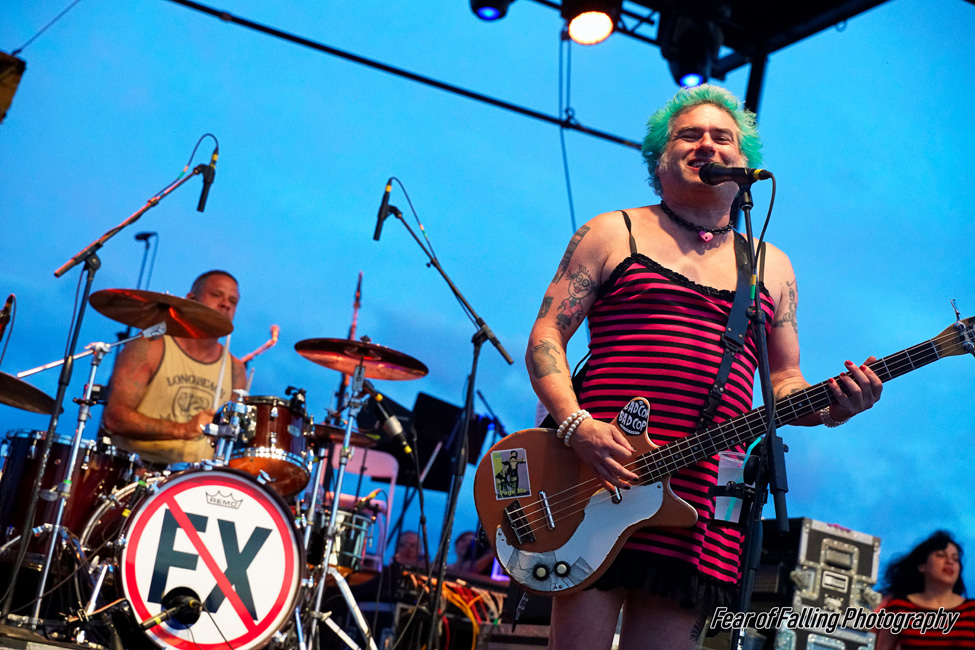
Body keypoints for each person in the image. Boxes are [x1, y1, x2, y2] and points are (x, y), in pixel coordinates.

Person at [524, 84, 883, 650]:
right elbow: (547, 334)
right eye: (689, 135)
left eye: (723, 137)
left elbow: (785, 382)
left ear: (745, 166)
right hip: (598, 473)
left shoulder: (772, 266)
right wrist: (575, 424)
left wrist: (835, 407)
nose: (707, 145)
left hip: (702, 497)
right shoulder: (612, 232)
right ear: (659, 159)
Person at [101, 270, 247, 468]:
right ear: (191, 299)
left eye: (233, 301)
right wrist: (182, 429)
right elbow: (114, 418)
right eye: (216, 295)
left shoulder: (235, 369)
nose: (225, 304)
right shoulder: (149, 347)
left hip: (197, 479)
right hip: (136, 471)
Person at [876, 530, 975, 649]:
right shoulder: (899, 608)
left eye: (955, 559)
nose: (950, 562)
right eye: (940, 555)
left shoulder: (971, 610)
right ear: (922, 566)